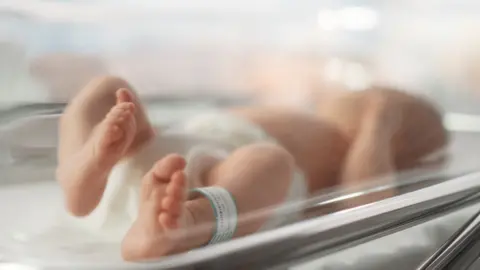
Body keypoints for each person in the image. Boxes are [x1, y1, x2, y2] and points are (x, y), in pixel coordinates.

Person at [55, 76, 448, 261]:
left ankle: (191, 220)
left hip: (213, 182)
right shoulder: (305, 115)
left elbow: (366, 202)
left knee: (268, 161)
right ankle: (84, 169)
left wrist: (378, 123)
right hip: (152, 151)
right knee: (108, 89)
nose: (360, 97)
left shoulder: (352, 148)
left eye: (371, 99)